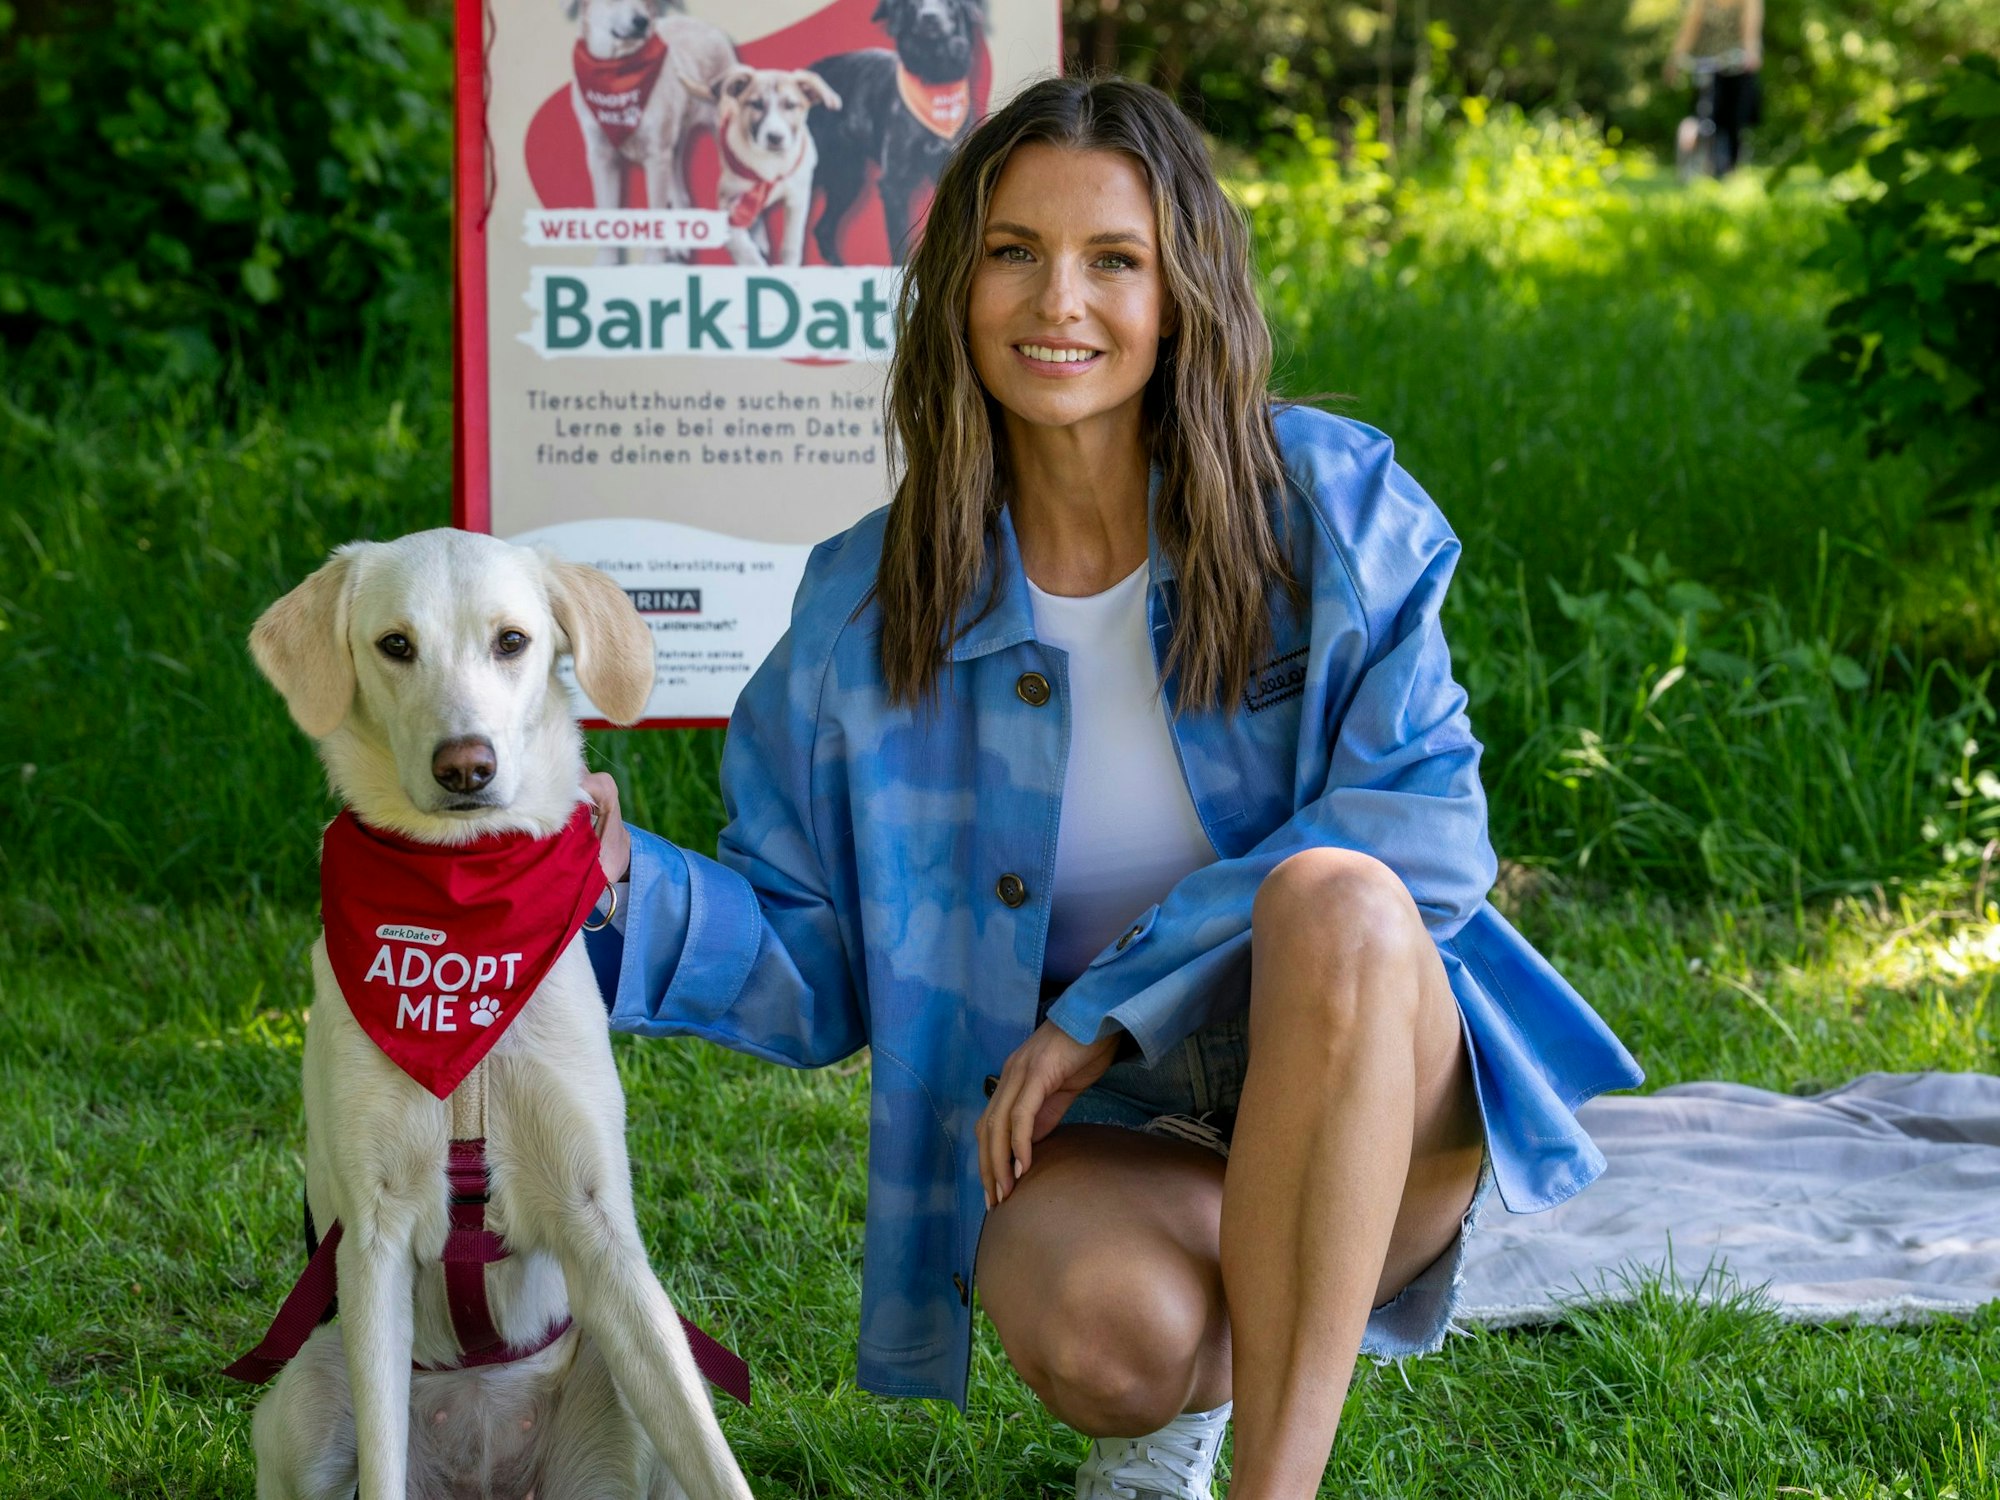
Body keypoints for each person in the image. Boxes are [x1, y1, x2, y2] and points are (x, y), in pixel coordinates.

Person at [582, 75, 1642, 1500]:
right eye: (1013, 250)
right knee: (1102, 1338)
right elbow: (813, 946)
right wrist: (611, 888)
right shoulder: (862, 609)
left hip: (1380, 1085)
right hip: (1117, 1142)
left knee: (1334, 899)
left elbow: (1428, 832)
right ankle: (1194, 1388)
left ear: (1182, 289)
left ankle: (1271, 1482)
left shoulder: (1332, 511)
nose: (1055, 300)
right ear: (958, 285)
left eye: (1113, 259)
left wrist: (1096, 1011)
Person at [1666, 0, 1765, 175]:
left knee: (1734, 120)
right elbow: (1690, 28)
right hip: (1707, 65)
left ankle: (1730, 168)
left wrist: (1751, 53)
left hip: (1737, 65)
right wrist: (1675, 58)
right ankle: (1694, 161)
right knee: (1701, 112)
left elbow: (1750, 29)